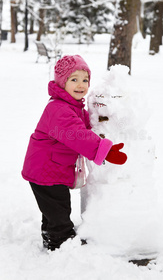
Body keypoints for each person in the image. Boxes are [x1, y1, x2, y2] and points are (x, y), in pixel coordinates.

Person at [21, 55, 127, 251]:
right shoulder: (59, 110)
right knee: (58, 208)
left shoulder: (72, 107)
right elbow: (78, 135)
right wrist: (105, 150)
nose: (81, 85)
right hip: (45, 171)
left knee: (53, 209)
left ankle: (51, 236)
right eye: (74, 79)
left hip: (48, 170)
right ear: (62, 83)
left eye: (85, 80)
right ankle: (61, 242)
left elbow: (86, 125)